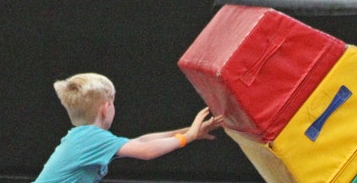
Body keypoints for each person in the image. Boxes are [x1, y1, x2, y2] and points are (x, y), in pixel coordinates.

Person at [34, 72, 223, 182]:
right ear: (106, 109)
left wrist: (190, 131)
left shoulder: (85, 138)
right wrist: (187, 137)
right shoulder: (90, 138)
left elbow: (141, 141)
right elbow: (147, 150)